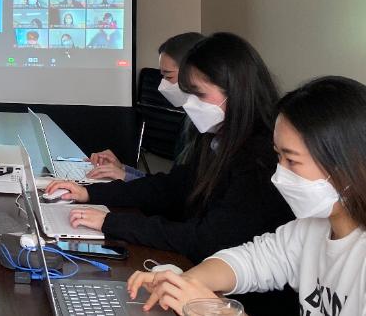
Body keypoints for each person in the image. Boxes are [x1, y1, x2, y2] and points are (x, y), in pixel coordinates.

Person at [44, 33, 293, 274]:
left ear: (236, 90)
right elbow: (172, 189)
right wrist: (90, 192)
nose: (189, 103)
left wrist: (110, 222)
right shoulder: (216, 137)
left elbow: (208, 239)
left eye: (199, 94)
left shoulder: (260, 156)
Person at [127, 76, 366, 315]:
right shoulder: (310, 229)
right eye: (278, 157)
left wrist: (220, 311)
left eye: (292, 161)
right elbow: (248, 261)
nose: (278, 174)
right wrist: (183, 283)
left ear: (350, 165)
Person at [88, 32, 205, 181]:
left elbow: (176, 191)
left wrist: (125, 176)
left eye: (169, 76)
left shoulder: (207, 128)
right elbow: (172, 186)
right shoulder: (189, 120)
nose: (163, 85)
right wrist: (122, 170)